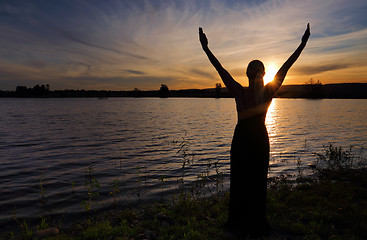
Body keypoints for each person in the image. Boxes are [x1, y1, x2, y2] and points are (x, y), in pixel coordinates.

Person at [199, 24, 310, 238]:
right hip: (241, 140)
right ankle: (238, 223)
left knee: (258, 182)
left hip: (259, 139)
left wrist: (302, 44)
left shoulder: (269, 91)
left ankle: (256, 223)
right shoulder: (239, 91)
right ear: (248, 73)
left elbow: (286, 66)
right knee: (240, 181)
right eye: (253, 67)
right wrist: (206, 48)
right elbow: (219, 69)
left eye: (260, 68)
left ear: (263, 73)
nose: (256, 70)